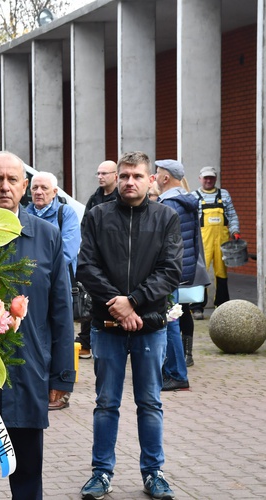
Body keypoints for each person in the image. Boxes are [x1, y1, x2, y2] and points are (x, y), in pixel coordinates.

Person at [0, 151, 75, 500]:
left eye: (13, 180)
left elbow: (61, 310)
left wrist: (62, 375)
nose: (4, 187)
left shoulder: (46, 236)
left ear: (25, 186)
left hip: (29, 372)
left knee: (28, 479)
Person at [77, 151, 182, 500]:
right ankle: (101, 473)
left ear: (151, 179)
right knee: (106, 402)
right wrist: (119, 306)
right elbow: (86, 268)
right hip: (107, 325)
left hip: (149, 326)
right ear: (116, 178)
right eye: (124, 176)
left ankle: (153, 473)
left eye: (137, 176)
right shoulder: (96, 216)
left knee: (150, 402)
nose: (129, 182)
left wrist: (133, 300)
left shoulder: (166, 218)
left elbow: (170, 270)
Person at [25, 170, 81, 411]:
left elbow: (68, 250)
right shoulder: (24, 214)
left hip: (56, 284)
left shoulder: (65, 213)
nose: (38, 192)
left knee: (59, 334)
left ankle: (60, 389)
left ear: (55, 192)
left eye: (44, 188)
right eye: (35, 187)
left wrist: (32, 265)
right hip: (28, 286)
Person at [155, 160, 200, 391]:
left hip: (168, 272)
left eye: (157, 173)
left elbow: (164, 242)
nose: (154, 176)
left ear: (165, 178)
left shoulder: (170, 204)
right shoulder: (186, 200)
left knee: (170, 321)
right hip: (179, 269)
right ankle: (173, 371)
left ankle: (176, 374)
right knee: (171, 319)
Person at [75, 160, 119, 359]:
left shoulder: (121, 198)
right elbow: (85, 225)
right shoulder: (95, 198)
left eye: (105, 173)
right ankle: (85, 341)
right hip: (96, 255)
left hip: (115, 256)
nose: (100, 177)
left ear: (115, 175)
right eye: (98, 173)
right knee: (89, 297)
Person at [190, 166, 240, 320]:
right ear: (200, 178)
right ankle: (197, 307)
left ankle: (223, 305)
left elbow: (232, 215)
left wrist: (235, 231)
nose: (208, 180)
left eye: (211, 177)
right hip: (202, 241)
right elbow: (190, 220)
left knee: (221, 273)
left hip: (222, 241)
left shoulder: (224, 195)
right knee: (200, 273)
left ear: (215, 178)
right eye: (205, 177)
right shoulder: (194, 196)